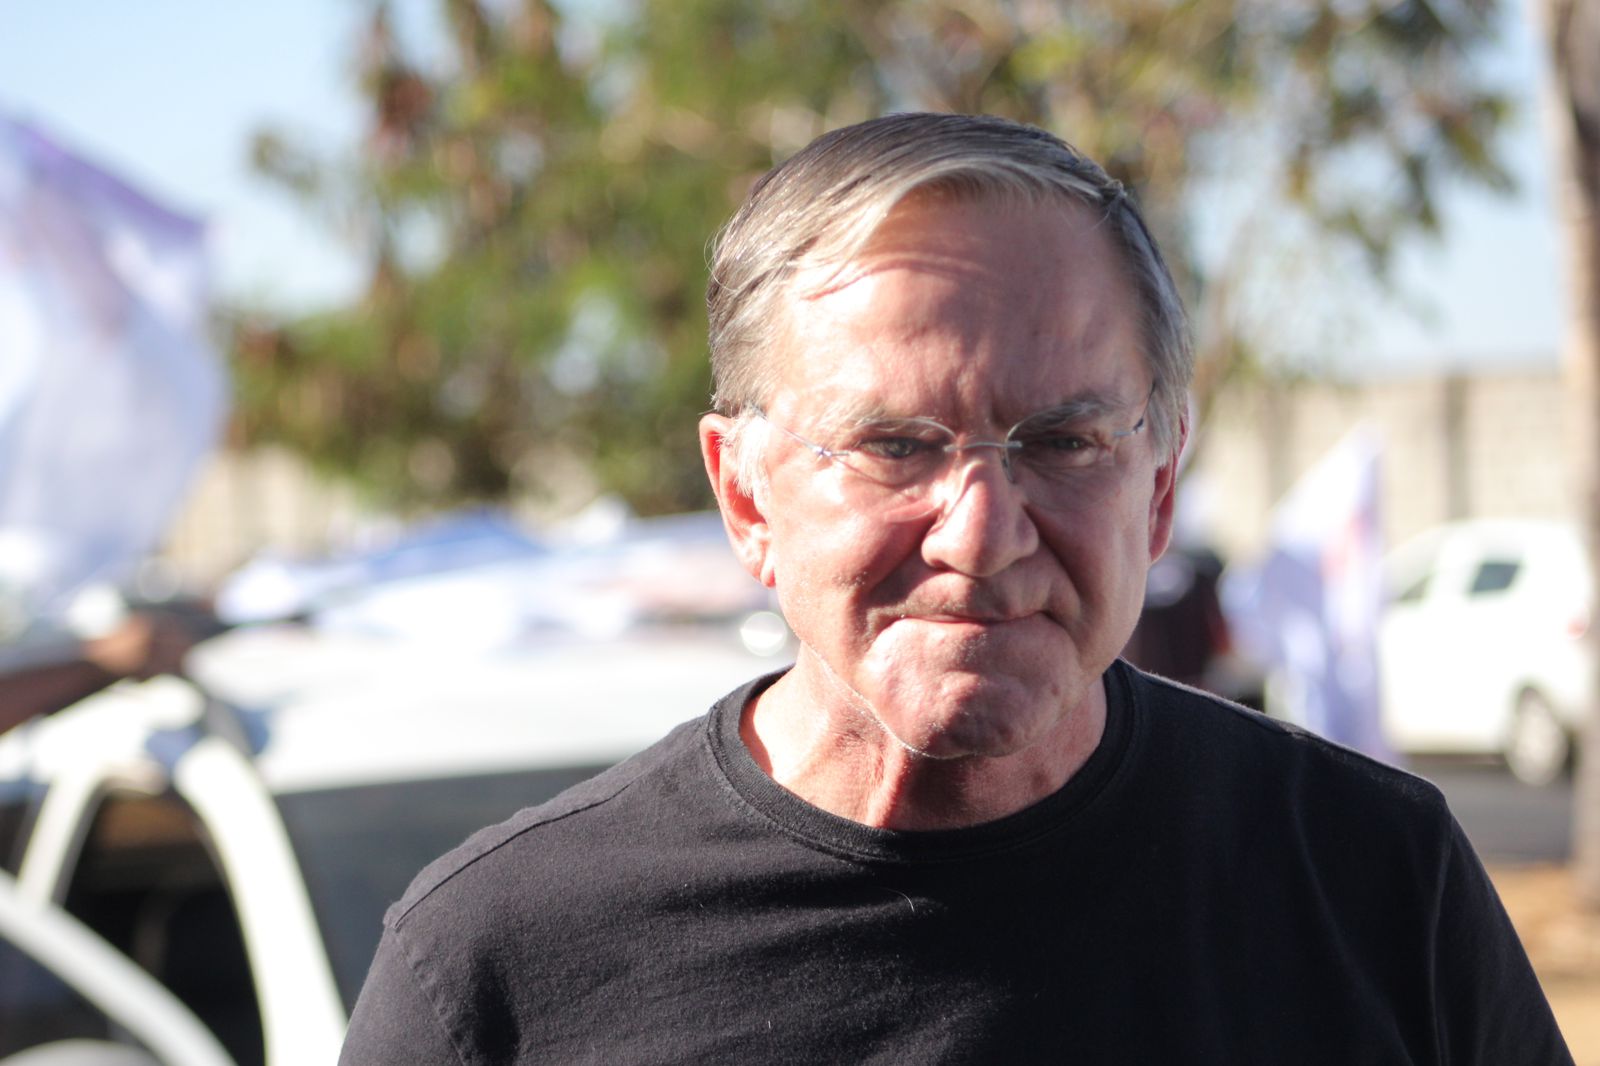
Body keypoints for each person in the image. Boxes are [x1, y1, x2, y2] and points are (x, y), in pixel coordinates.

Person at [340, 113, 1571, 1064]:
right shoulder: (503, 965)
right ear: (748, 495)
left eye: (1063, 441)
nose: (981, 534)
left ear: (1156, 487)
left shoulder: (1368, 879)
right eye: (894, 446)